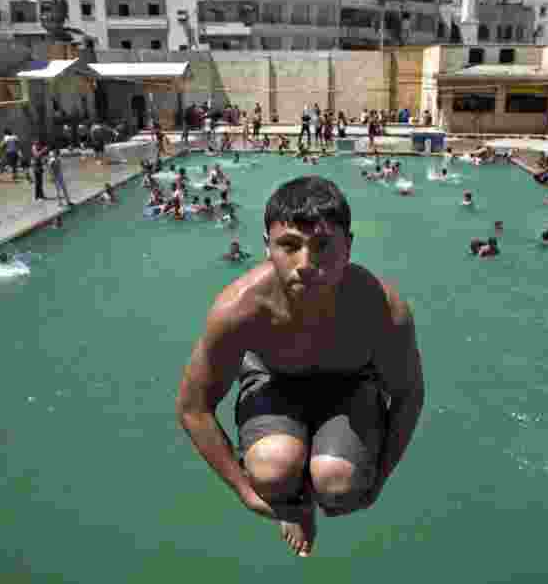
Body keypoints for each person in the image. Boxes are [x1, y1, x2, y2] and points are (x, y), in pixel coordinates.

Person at [176, 175, 425, 558]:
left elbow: (408, 395)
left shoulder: (382, 309)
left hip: (351, 383)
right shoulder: (239, 310)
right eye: (289, 246)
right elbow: (193, 408)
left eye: (323, 246)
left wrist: (381, 480)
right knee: (272, 471)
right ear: (267, 248)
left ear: (349, 247)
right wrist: (244, 491)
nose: (306, 264)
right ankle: (296, 505)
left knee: (340, 488)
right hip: (274, 378)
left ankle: (319, 484)